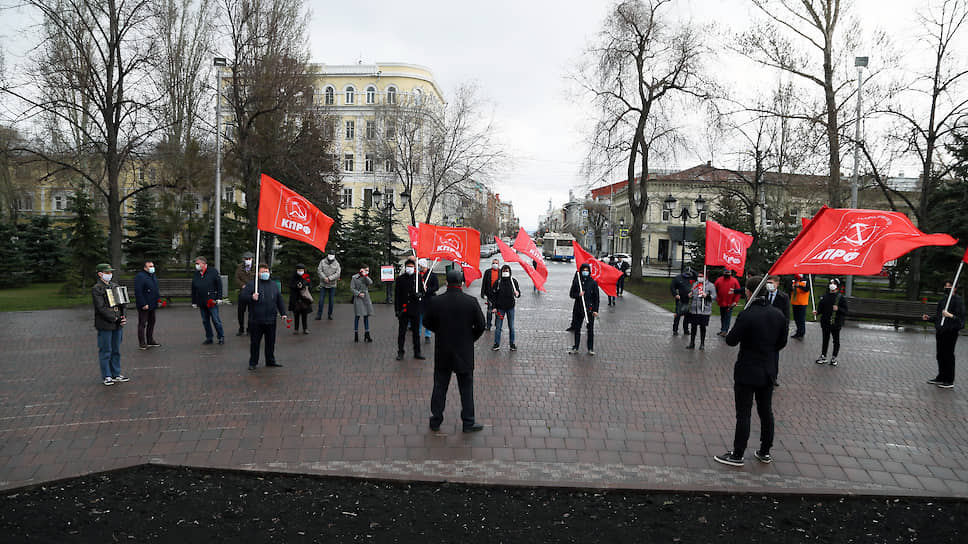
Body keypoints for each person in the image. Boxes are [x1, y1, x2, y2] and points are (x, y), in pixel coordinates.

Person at [714, 275, 788, 467]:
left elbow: (731, 341)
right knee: (766, 412)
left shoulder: (747, 314)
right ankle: (765, 451)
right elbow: (782, 343)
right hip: (768, 370)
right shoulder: (778, 315)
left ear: (749, 291)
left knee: (744, 414)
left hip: (747, 370)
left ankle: (738, 454)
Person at [423, 268, 487, 433]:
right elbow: (481, 325)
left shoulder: (437, 302)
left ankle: (436, 420)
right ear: (462, 283)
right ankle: (468, 422)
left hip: (443, 351)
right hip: (464, 353)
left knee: (439, 387)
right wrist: (470, 338)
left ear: (446, 282)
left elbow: (426, 322)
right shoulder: (470, 301)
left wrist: (440, 331)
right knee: (466, 389)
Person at [239, 263, 287, 370]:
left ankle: (270, 360)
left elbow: (279, 299)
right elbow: (242, 297)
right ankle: (253, 362)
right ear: (258, 273)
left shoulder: (274, 285)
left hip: (271, 319)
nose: (265, 273)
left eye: (266, 271)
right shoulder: (252, 285)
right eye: (262, 272)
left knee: (270, 342)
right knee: (255, 343)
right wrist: (251, 297)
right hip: (256, 320)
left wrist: (283, 313)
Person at [922, 281, 966, 389]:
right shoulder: (943, 300)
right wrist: (929, 318)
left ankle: (949, 380)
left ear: (955, 288)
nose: (946, 288)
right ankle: (941, 377)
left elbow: (961, 321)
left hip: (950, 332)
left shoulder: (958, 301)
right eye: (945, 286)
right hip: (941, 331)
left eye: (949, 286)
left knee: (948, 355)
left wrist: (950, 315)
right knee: (940, 355)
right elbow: (939, 316)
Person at [92, 263, 129, 386]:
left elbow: (122, 303)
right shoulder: (97, 288)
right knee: (106, 350)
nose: (109, 275)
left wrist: (123, 316)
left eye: (110, 272)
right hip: (105, 324)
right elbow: (100, 307)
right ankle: (107, 375)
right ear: (100, 274)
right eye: (107, 273)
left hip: (117, 323)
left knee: (116, 349)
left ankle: (116, 373)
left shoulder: (115, 286)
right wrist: (114, 318)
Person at [394, 256, 426, 360]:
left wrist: (419, 295)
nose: (410, 268)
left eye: (412, 266)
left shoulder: (417, 278)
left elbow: (423, 292)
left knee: (416, 333)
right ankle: (400, 352)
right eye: (408, 266)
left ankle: (417, 352)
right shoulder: (400, 279)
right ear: (405, 267)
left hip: (415, 309)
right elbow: (397, 295)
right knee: (402, 332)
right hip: (404, 310)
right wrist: (397, 310)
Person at [191, 256, 225, 345]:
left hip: (211, 301)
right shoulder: (196, 273)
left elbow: (219, 285)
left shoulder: (213, 272)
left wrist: (219, 298)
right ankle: (209, 337)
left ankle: (221, 336)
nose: (196, 265)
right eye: (196, 264)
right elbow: (193, 288)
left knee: (216, 320)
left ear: (203, 263)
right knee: (205, 321)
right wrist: (194, 301)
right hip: (201, 301)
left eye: (198, 264)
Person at [813, 278, 847, 366]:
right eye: (831, 283)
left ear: (837, 286)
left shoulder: (840, 297)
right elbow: (821, 308)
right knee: (825, 339)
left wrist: (838, 309)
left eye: (834, 283)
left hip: (835, 323)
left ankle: (834, 357)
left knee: (836, 340)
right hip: (825, 322)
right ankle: (823, 355)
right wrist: (817, 312)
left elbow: (845, 310)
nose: (832, 285)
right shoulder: (825, 296)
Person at [568, 263, 600, 355]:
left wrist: (595, 310)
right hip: (578, 309)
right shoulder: (577, 281)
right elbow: (571, 294)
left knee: (590, 329)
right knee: (577, 329)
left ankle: (590, 348)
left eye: (587, 270)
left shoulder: (593, 283)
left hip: (589, 310)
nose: (585, 272)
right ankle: (576, 347)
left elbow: (596, 298)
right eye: (583, 270)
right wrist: (578, 294)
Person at [765, 275, 790, 386]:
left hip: (776, 330)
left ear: (777, 284)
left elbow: (786, 315)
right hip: (763, 328)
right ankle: (764, 375)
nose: (769, 285)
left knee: (774, 355)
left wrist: (784, 330)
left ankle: (773, 377)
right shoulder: (763, 295)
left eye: (771, 282)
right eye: (768, 282)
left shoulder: (783, 297)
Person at [489, 264, 521, 351]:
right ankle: (496, 343)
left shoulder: (513, 281)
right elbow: (493, 295)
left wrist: (517, 294)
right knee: (498, 326)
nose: (505, 272)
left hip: (510, 308)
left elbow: (518, 293)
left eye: (507, 271)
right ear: (501, 272)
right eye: (504, 271)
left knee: (511, 326)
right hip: (500, 309)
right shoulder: (498, 282)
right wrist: (494, 307)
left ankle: (512, 344)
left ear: (510, 272)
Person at [133, 260, 160, 350]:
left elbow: (155, 289)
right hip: (144, 304)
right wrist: (143, 303)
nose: (152, 268)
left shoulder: (152, 275)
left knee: (152, 322)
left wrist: (158, 300)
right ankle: (142, 343)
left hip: (152, 303)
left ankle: (150, 340)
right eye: (150, 266)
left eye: (152, 266)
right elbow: (138, 291)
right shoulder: (140, 276)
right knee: (142, 323)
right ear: (145, 268)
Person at [686, 271, 716, 350]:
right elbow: (692, 292)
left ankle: (702, 344)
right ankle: (692, 343)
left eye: (701, 276)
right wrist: (690, 294)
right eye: (699, 276)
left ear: (705, 277)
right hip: (694, 309)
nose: (699, 278)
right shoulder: (695, 284)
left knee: (702, 327)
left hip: (704, 310)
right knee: (693, 327)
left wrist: (707, 296)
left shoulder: (710, 286)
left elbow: (714, 297)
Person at [417, 258, 440, 344]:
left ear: (423, 266)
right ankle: (418, 334)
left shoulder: (432, 275)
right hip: (419, 300)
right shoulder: (417, 275)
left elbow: (436, 287)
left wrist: (428, 290)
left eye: (419, 266)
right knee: (419, 318)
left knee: (428, 318)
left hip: (429, 300)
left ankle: (427, 335)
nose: (418, 267)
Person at [714, 269, 742, 337]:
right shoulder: (719, 280)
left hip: (730, 303)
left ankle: (725, 330)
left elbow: (738, 292)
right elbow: (715, 290)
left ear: (731, 273)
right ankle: (723, 329)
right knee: (723, 316)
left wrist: (735, 301)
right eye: (726, 272)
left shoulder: (734, 280)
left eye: (728, 272)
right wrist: (717, 299)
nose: (727, 273)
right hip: (721, 302)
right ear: (723, 272)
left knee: (727, 316)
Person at [235, 252, 256, 335]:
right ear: (243, 259)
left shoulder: (255, 267)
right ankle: (241, 328)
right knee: (240, 312)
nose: (248, 260)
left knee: (252, 312)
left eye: (249, 259)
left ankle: (249, 329)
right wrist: (242, 285)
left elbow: (258, 278)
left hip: (252, 293)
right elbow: (236, 278)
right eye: (246, 259)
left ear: (252, 259)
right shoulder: (239, 267)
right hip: (243, 292)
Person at [351, 265, 374, 343]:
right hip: (358, 298)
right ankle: (356, 333)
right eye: (366, 270)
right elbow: (352, 288)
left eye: (368, 270)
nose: (367, 271)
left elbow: (370, 282)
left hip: (366, 297)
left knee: (366, 315)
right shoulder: (354, 277)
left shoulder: (366, 277)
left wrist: (365, 275)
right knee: (357, 315)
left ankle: (367, 334)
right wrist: (358, 294)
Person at [670, 267, 695, 336]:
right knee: (678, 315)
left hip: (688, 299)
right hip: (680, 299)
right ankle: (675, 330)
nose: (687, 275)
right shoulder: (678, 278)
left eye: (689, 274)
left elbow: (697, 275)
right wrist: (675, 294)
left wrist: (692, 270)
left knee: (687, 315)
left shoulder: (692, 278)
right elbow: (672, 287)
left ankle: (686, 330)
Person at [288, 264, 313, 334]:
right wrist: (296, 286)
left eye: (302, 270)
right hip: (295, 299)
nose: (300, 271)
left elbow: (310, 284)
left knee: (304, 315)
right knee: (296, 315)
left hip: (304, 299)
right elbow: (290, 285)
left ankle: (305, 328)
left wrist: (303, 285)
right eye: (299, 270)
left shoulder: (306, 276)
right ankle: (296, 329)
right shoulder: (293, 276)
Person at [316, 253, 341, 320]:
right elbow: (319, 270)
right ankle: (319, 315)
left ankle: (330, 315)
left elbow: (338, 273)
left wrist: (330, 278)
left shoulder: (336, 263)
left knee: (331, 301)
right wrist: (324, 278)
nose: (330, 257)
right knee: (321, 300)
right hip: (323, 284)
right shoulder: (322, 261)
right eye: (329, 255)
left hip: (332, 285)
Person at [480, 258, 500, 330]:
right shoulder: (487, 272)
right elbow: (484, 283)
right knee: (489, 311)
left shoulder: (500, 272)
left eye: (496, 263)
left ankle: (498, 325)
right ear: (492, 264)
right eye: (494, 263)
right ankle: (488, 325)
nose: (495, 264)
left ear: (498, 264)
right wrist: (483, 293)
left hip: (498, 295)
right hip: (489, 294)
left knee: (498, 311)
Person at [790, 274, 810, 340]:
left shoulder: (806, 280)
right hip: (794, 302)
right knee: (796, 318)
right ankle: (798, 332)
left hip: (802, 302)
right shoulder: (794, 280)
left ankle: (801, 334)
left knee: (801, 319)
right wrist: (792, 288)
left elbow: (806, 289)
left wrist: (799, 286)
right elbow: (788, 288)